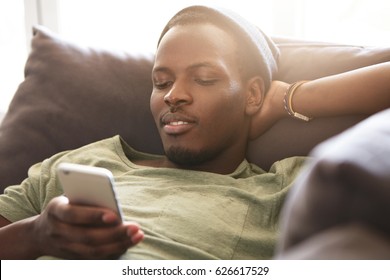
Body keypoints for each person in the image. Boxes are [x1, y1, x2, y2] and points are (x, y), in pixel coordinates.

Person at [0, 5, 389, 260]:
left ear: (251, 94)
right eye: (161, 81)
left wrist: (291, 98)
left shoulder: (287, 189)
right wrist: (35, 234)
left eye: (204, 79)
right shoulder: (76, 165)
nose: (173, 96)